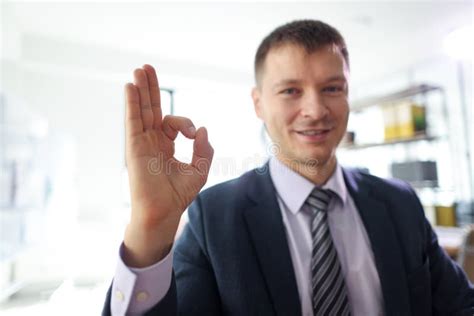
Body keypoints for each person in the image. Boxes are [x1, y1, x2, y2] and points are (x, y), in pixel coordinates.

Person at [103, 20, 474, 316]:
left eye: (332, 88)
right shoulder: (212, 216)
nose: (315, 110)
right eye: (290, 91)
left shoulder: (399, 203)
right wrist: (149, 229)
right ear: (258, 103)